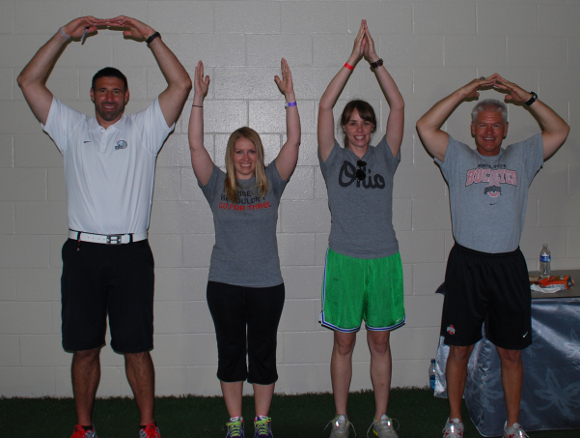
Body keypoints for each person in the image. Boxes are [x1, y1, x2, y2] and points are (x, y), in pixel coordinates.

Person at [17, 15, 192, 438]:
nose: (109, 97)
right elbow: (28, 82)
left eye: (116, 91)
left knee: (136, 347)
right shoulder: (70, 127)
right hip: (83, 253)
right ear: (92, 95)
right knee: (84, 347)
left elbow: (181, 85)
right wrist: (62, 35)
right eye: (102, 90)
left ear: (127, 96)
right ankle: (84, 427)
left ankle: (147, 426)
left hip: (131, 253)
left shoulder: (145, 129)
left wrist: (151, 36)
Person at [416, 74, 569, 438]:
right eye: (482, 125)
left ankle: (513, 425)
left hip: (507, 265)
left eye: (495, 126)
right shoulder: (456, 156)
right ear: (472, 129)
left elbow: (560, 130)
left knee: (511, 353)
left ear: (505, 129)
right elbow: (425, 126)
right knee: (459, 349)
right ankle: (454, 420)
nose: (489, 131)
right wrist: (462, 92)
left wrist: (525, 97)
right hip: (467, 264)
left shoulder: (524, 154)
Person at [188, 58, 300, 438]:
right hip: (224, 284)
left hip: (267, 284)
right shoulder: (216, 185)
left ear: (259, 156)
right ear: (230, 157)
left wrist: (290, 98)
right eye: (239, 152)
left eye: (252, 151)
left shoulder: (273, 184)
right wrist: (198, 99)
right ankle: (235, 422)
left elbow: (294, 142)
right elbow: (194, 144)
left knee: (263, 354)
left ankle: (262, 421)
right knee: (232, 353)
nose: (246, 158)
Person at [318, 20, 405, 438]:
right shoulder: (332, 159)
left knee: (381, 344)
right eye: (351, 122)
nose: (358, 128)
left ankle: (380, 418)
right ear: (343, 128)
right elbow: (322, 106)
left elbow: (399, 106)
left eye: (365, 122)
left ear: (372, 127)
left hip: (384, 259)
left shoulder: (386, 156)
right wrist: (353, 59)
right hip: (345, 260)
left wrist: (376, 61)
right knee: (344, 343)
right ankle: (340, 418)